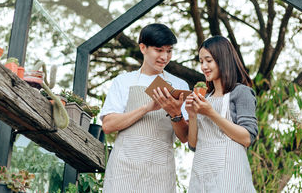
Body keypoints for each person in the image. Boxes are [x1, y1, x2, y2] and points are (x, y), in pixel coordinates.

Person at [100, 23, 189, 193]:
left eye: (169, 51)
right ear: (143, 48)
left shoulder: (179, 85)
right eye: (159, 50)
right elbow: (108, 126)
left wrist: (175, 113)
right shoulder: (123, 81)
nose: (164, 56)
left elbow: (184, 137)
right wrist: (147, 108)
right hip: (124, 169)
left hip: (160, 171)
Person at [185, 35, 258, 193]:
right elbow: (193, 145)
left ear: (223, 59)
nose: (204, 66)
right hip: (201, 173)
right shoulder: (205, 98)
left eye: (208, 60)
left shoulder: (241, 92)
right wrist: (192, 115)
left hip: (230, 177)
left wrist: (211, 113)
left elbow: (247, 138)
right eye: (201, 61)